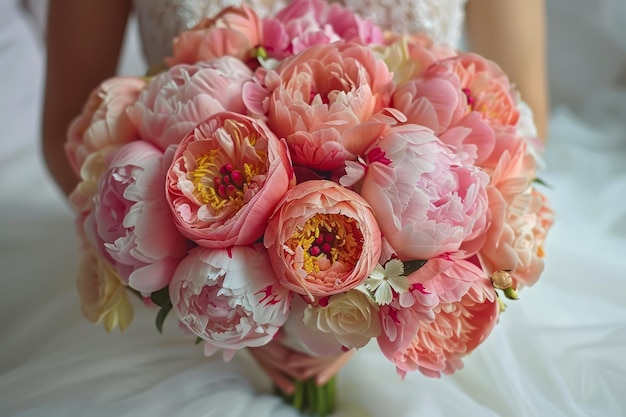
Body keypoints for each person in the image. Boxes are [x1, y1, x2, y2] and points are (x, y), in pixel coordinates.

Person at [3, 0, 626, 416]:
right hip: (191, 295)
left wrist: (367, 298)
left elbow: (522, 114)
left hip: (417, 293)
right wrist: (230, 299)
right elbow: (69, 127)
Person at [41, 0, 549, 197]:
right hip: (196, 307)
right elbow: (70, 134)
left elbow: (522, 126)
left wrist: (370, 311)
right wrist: (229, 301)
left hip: (411, 302)